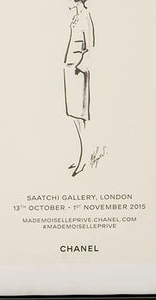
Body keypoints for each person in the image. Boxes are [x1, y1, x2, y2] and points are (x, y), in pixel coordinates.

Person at [64, 0, 95, 177]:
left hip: (78, 71)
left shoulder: (86, 17)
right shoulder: (76, 17)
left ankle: (84, 159)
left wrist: (79, 67)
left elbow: (89, 48)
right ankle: (80, 156)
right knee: (74, 116)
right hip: (70, 70)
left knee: (81, 117)